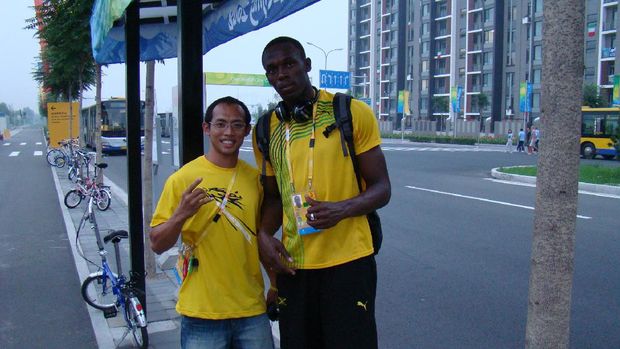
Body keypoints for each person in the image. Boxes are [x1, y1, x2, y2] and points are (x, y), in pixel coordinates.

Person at [253, 36, 391, 349]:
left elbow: (382, 188)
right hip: (294, 265)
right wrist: (263, 234)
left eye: (289, 64)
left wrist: (341, 209)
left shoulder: (350, 111)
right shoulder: (265, 129)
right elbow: (273, 197)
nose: (282, 74)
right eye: (272, 69)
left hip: (350, 262)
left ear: (307, 65)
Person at [150, 96, 274, 349]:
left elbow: (260, 238)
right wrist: (181, 214)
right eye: (220, 124)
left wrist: (276, 283)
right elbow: (157, 243)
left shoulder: (255, 180)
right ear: (207, 128)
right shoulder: (182, 178)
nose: (228, 132)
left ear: (247, 131)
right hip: (201, 313)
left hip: (251, 309)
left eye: (237, 125)